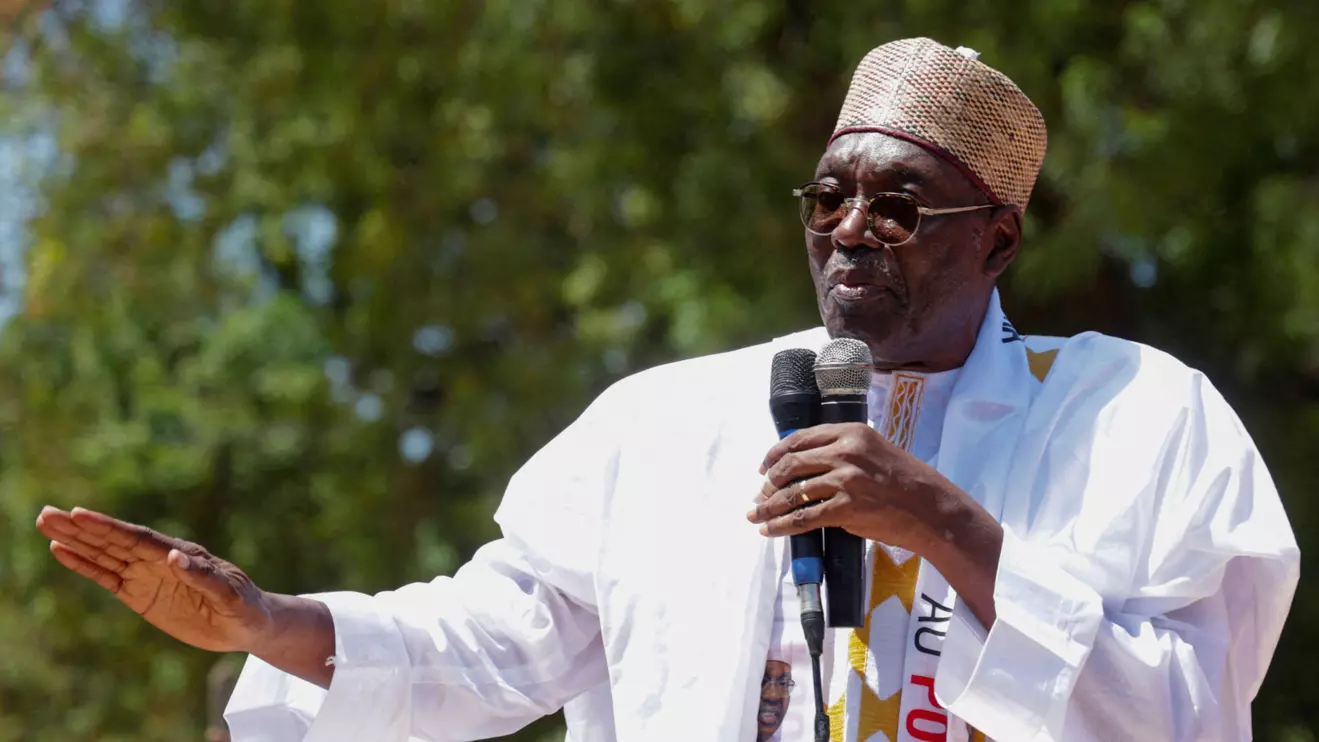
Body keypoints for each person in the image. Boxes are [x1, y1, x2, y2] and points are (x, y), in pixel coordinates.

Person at [35, 37, 1299, 742]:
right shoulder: (664, 423)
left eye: (899, 205)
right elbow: (494, 642)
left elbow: (1190, 715)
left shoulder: (1137, 416)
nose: (851, 227)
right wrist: (268, 618)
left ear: (999, 241)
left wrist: (947, 526)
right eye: (829, 197)